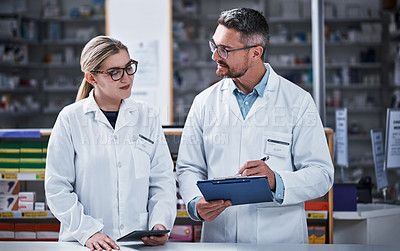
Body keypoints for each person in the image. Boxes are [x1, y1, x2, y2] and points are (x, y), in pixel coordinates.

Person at [176, 8, 334, 243]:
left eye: (225, 50)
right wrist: (194, 202)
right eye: (214, 46)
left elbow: (321, 174)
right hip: (220, 239)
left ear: (255, 53)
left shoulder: (297, 101)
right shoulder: (204, 102)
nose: (215, 56)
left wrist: (276, 181)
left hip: (278, 240)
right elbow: (188, 167)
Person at [45, 36, 176, 250]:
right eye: (115, 72)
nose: (126, 78)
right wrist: (88, 232)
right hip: (85, 244)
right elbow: (57, 188)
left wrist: (159, 223)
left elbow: (162, 181)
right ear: (91, 78)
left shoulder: (147, 116)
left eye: (129, 68)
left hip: (137, 242)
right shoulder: (71, 119)